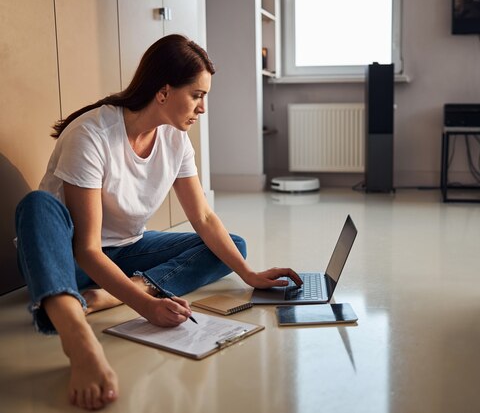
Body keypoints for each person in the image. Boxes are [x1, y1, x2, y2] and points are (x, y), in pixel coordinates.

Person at [14, 34, 302, 411]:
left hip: (126, 251)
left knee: (232, 246)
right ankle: (78, 338)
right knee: (35, 205)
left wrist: (249, 274)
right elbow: (86, 249)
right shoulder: (91, 135)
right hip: (67, 258)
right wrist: (144, 306)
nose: (202, 108)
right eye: (197, 95)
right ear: (164, 92)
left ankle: (108, 295)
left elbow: (202, 217)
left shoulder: (176, 140)